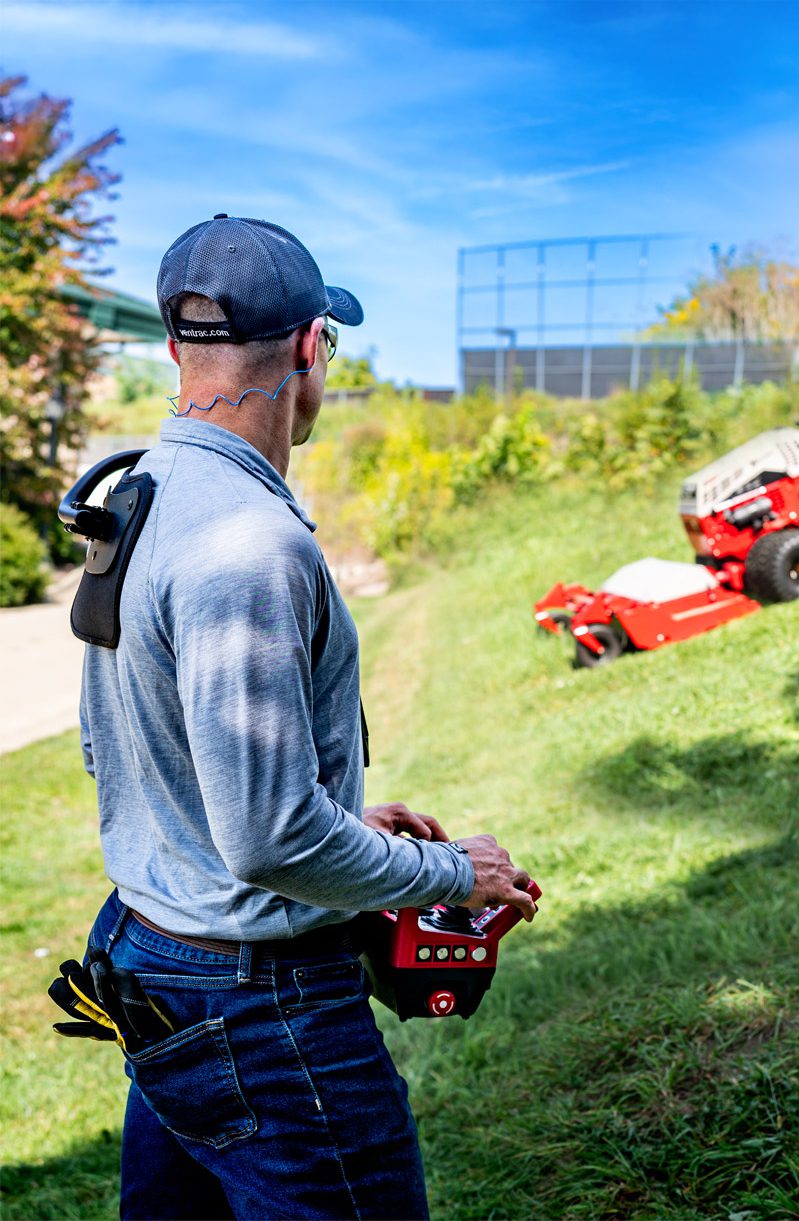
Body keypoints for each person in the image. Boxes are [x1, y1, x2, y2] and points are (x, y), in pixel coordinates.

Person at [76, 214, 537, 1220]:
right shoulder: (247, 542)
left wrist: (343, 821)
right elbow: (271, 838)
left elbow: (127, 745)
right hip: (260, 1006)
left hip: (163, 965)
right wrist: (450, 871)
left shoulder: (146, 496)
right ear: (310, 346)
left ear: (176, 347)